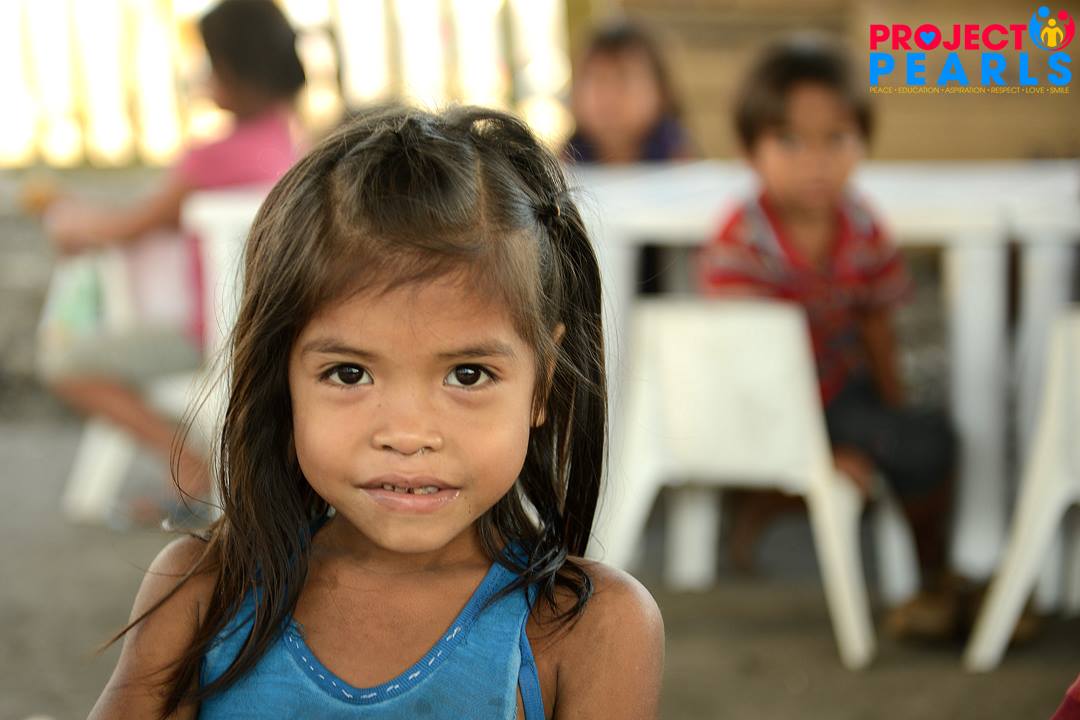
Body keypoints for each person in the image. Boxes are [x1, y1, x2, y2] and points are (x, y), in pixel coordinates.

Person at [88, 105, 665, 719]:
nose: (407, 434)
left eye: (468, 375)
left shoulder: (587, 629)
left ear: (542, 384)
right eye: (349, 374)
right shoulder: (205, 594)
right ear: (283, 380)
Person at [698, 36, 958, 639]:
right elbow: (745, 368)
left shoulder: (863, 225)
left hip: (842, 393)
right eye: (791, 140)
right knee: (911, 444)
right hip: (763, 403)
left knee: (924, 437)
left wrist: (892, 411)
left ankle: (932, 581)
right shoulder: (742, 241)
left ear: (862, 142)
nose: (815, 160)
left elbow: (877, 326)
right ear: (750, 150)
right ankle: (776, 499)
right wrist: (812, 452)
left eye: (835, 138)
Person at [36, 0, 306, 518]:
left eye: (208, 63)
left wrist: (68, 220)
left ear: (229, 68)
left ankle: (188, 464)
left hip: (210, 337)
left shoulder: (210, 158)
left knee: (65, 362)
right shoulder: (291, 145)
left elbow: (127, 226)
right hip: (275, 328)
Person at [564, 20, 694, 164]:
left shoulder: (681, 163)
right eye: (599, 80)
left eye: (623, 80)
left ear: (662, 93)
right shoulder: (565, 164)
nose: (609, 97)